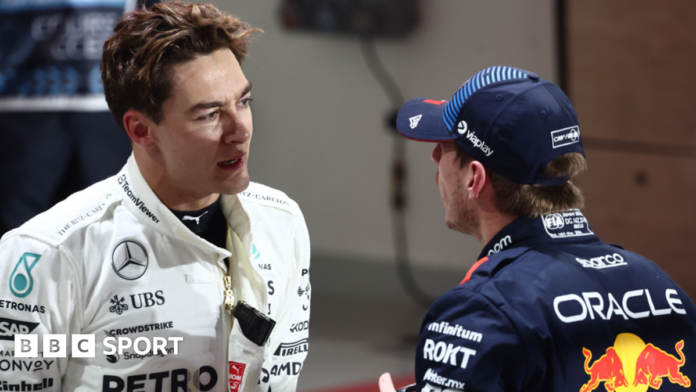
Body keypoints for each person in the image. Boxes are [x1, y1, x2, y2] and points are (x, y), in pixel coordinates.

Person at [0, 3, 311, 392]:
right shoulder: (49, 252)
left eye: (243, 102)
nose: (240, 130)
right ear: (142, 130)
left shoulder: (282, 222)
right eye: (210, 114)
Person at [378, 66, 696, 392]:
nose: (434, 158)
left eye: (444, 147)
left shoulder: (478, 313)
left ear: (475, 178)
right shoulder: (665, 291)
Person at [0, 0, 159, 237]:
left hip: (107, 118)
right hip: (19, 118)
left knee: (109, 230)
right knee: (16, 239)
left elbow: (156, 27)